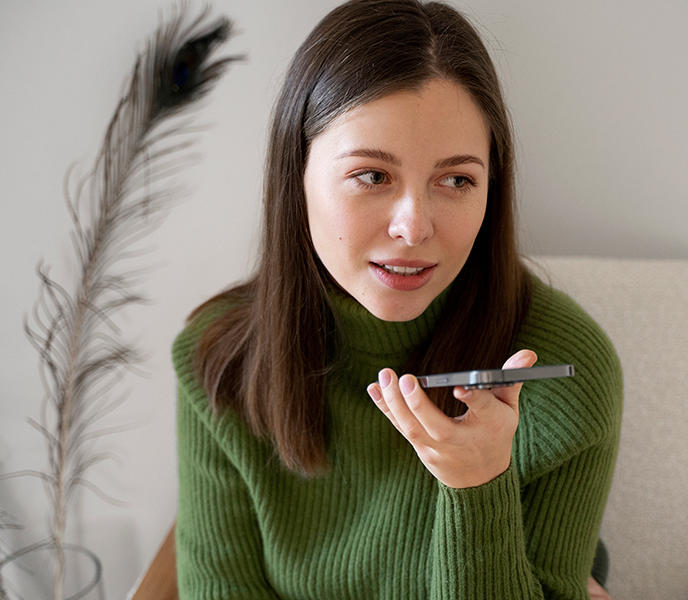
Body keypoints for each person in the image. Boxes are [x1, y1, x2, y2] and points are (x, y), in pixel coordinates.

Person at [172, 1, 622, 598]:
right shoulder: (221, 359)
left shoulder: (565, 374)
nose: (414, 227)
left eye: (456, 180)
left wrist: (476, 485)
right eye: (372, 175)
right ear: (297, 174)